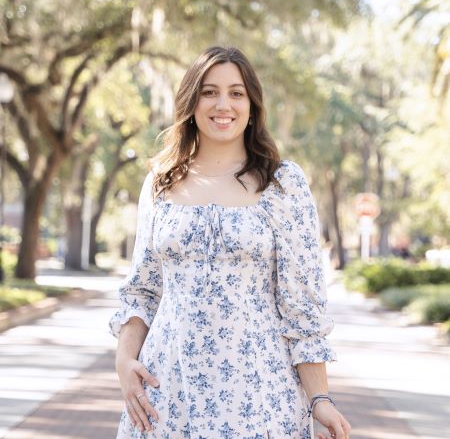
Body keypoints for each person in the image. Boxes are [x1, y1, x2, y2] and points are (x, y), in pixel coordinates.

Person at [109, 45, 351, 439]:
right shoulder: (160, 182)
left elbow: (302, 308)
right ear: (191, 102)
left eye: (236, 93)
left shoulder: (283, 184)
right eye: (209, 91)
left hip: (259, 394)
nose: (223, 104)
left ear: (252, 106)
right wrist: (123, 360)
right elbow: (142, 291)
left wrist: (319, 399)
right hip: (167, 392)